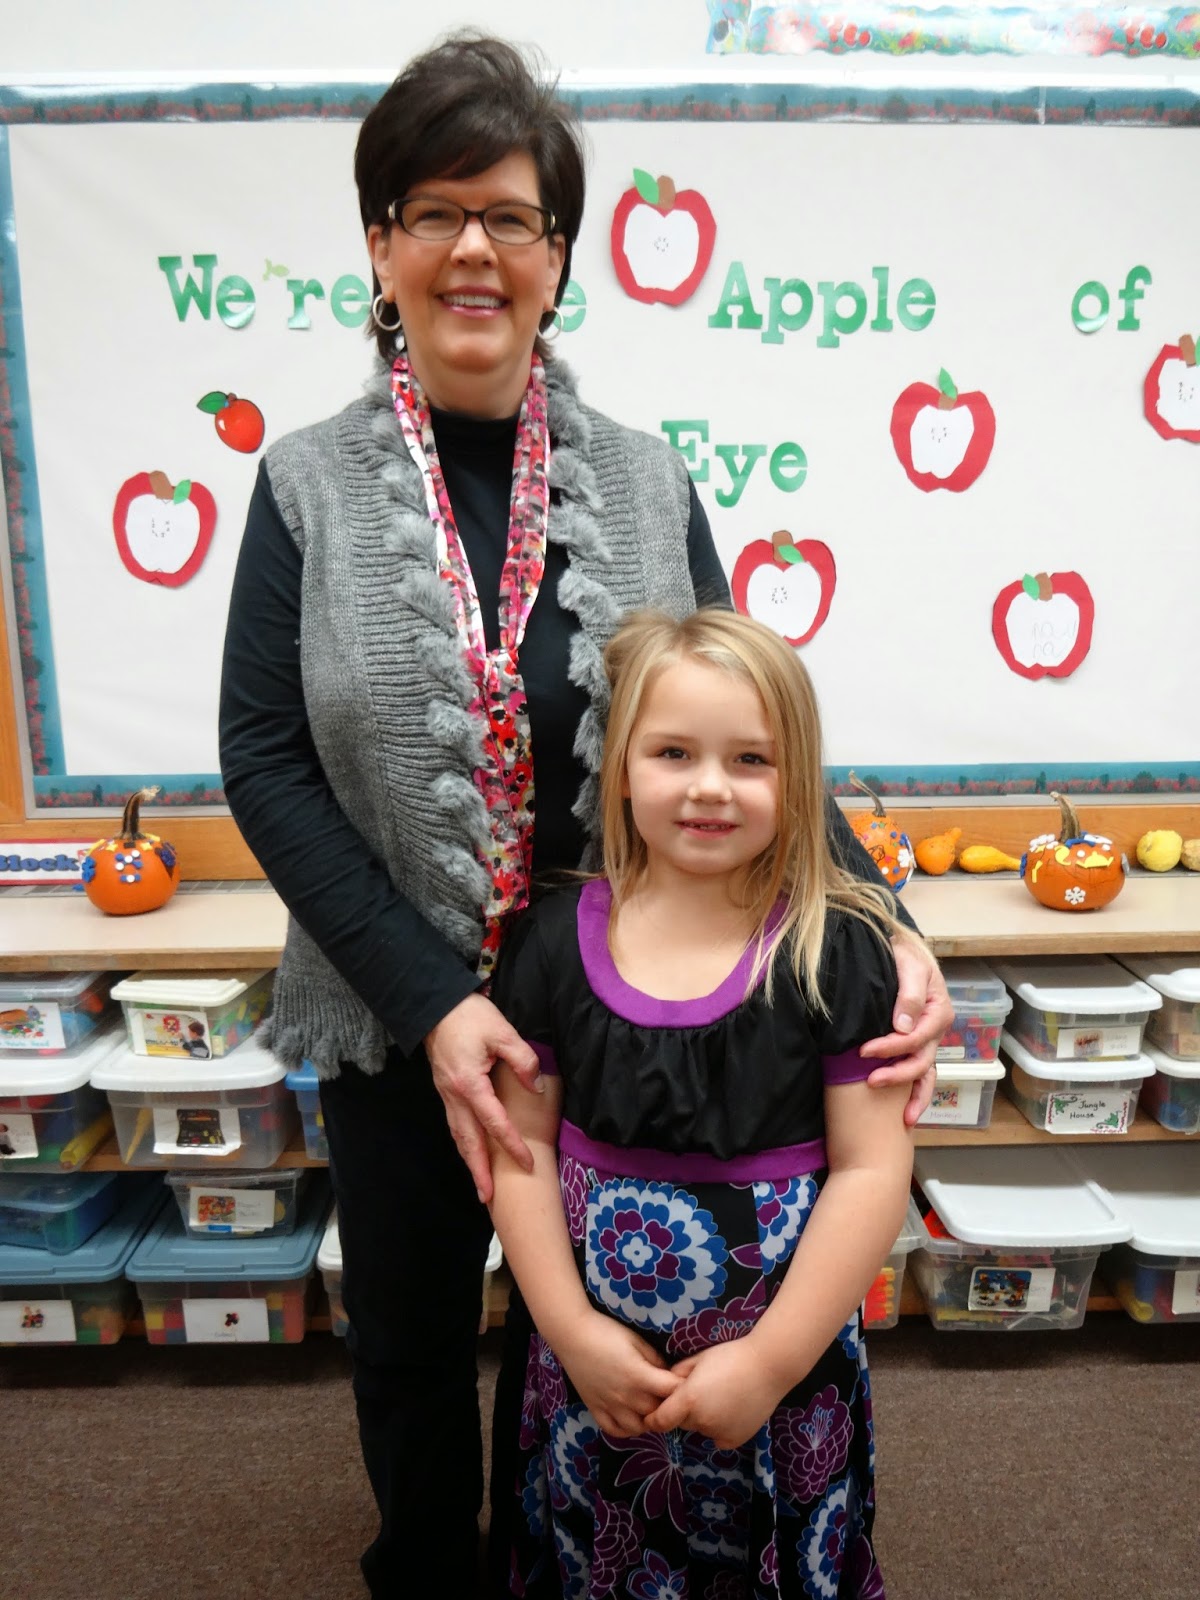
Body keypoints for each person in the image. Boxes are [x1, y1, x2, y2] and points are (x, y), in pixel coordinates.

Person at [217, 32, 949, 1600]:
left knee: (595, 1326)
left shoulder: (644, 477)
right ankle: (432, 1565)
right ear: (380, 246)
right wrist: (434, 1006)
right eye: (433, 212)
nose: (473, 249)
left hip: (622, 999)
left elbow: (748, 731)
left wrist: (890, 927)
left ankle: (562, 1555)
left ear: (559, 257)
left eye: (512, 216)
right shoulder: (303, 488)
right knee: (412, 1336)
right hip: (388, 1006)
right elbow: (264, 762)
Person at [488, 609, 919, 1597]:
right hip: (598, 1376)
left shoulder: (837, 949)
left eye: (751, 759)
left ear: (797, 779)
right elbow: (521, 1151)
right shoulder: (550, 944)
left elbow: (872, 1168)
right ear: (621, 766)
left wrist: (768, 1364)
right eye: (674, 752)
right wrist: (572, 1332)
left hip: (783, 1374)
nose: (711, 786)